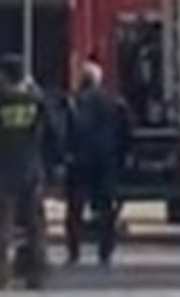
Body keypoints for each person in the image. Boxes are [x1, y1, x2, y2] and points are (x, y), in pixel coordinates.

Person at [0, 54, 55, 290]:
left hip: (2, 169)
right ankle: (37, 274)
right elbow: (52, 132)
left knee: (2, 224)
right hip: (32, 168)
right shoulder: (36, 100)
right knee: (35, 225)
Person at [64, 61, 130, 267]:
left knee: (75, 209)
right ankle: (105, 252)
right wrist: (121, 156)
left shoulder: (72, 102)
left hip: (79, 162)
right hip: (105, 161)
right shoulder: (115, 101)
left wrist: (64, 157)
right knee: (106, 208)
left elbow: (65, 131)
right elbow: (126, 131)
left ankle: (74, 253)